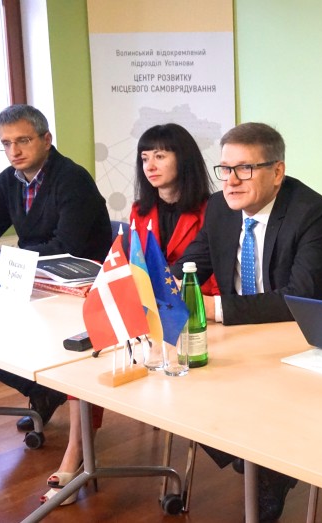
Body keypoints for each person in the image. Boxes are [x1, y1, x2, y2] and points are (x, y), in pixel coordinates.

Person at [173, 122, 322, 521]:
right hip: (245, 338)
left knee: (262, 406)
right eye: (225, 169)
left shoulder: (312, 213)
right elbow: (190, 267)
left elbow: (297, 298)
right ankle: (250, 457)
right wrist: (161, 287)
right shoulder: (220, 208)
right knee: (185, 383)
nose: (231, 181)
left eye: (244, 169)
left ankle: (268, 471)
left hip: (305, 343)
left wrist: (214, 309)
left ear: (277, 171)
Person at [40, 123, 219, 505]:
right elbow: (132, 265)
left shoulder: (212, 210)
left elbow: (213, 276)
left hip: (192, 317)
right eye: (144, 157)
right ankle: (77, 451)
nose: (149, 165)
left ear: (183, 159)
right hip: (148, 315)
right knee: (93, 353)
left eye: (160, 155)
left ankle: (79, 454)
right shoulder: (141, 210)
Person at [0, 104, 111, 433]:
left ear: (46, 139)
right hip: (34, 283)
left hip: (80, 290)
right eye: (6, 143)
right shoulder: (9, 181)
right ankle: (41, 389)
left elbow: (64, 250)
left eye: (23, 140)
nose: (14, 151)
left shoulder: (73, 180)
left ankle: (49, 390)